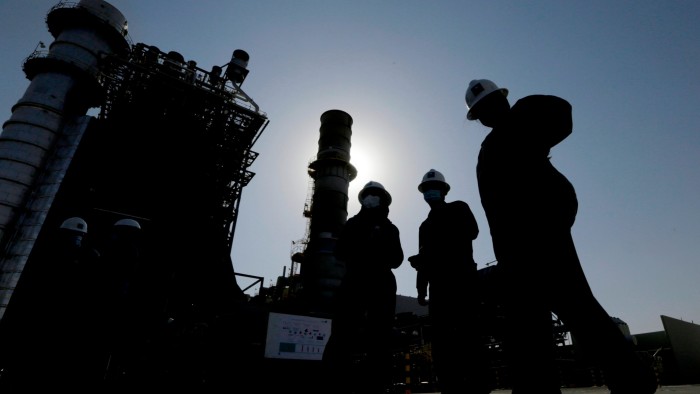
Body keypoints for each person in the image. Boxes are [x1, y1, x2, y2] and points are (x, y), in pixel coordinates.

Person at [464, 78, 657, 394]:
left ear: (504, 101)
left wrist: (521, 110)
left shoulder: (523, 128)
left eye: (493, 104)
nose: (488, 114)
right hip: (516, 251)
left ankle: (633, 380)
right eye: (482, 111)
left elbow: (561, 113)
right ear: (479, 119)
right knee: (530, 326)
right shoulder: (489, 152)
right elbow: (495, 211)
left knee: (580, 311)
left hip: (546, 242)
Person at [408, 169, 492, 394]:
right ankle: (450, 386)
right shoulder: (424, 226)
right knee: (442, 340)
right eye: (426, 190)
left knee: (470, 333)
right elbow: (424, 258)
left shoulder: (459, 208)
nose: (430, 192)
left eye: (433, 189)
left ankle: (479, 386)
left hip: (462, 280)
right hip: (439, 286)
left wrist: (432, 253)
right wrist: (421, 290)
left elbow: (472, 232)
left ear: (444, 191)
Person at [322, 181, 404, 394]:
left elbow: (397, 259)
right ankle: (335, 382)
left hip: (382, 283)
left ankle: (376, 385)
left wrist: (377, 251)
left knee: (380, 335)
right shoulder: (353, 224)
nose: (371, 198)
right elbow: (340, 252)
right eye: (368, 195)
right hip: (355, 281)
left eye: (375, 195)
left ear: (383, 199)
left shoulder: (390, 228)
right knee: (342, 332)